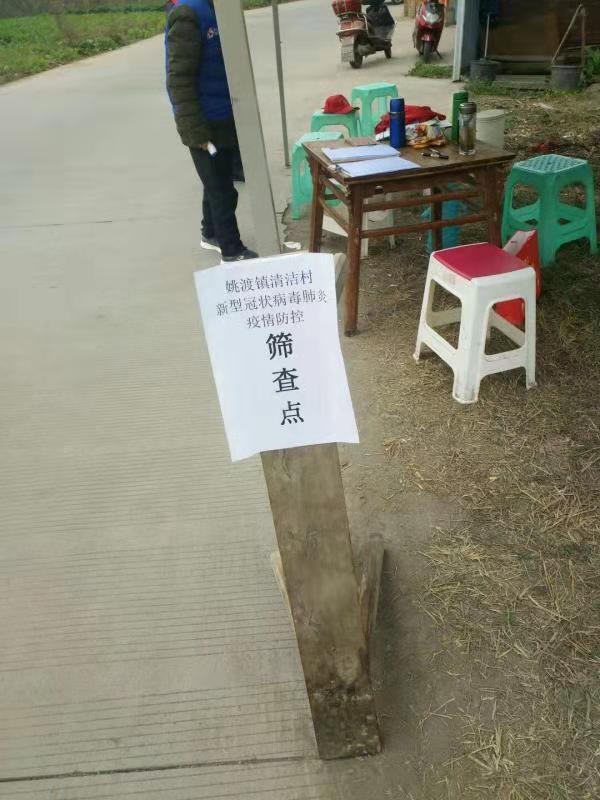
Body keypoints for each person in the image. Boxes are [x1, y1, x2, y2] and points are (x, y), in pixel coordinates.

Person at [165, 0, 256, 262]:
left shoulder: (219, 8)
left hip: (224, 114)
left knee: (218, 180)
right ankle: (232, 250)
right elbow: (179, 80)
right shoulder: (187, 14)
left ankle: (211, 232)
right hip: (204, 121)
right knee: (221, 190)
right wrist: (195, 132)